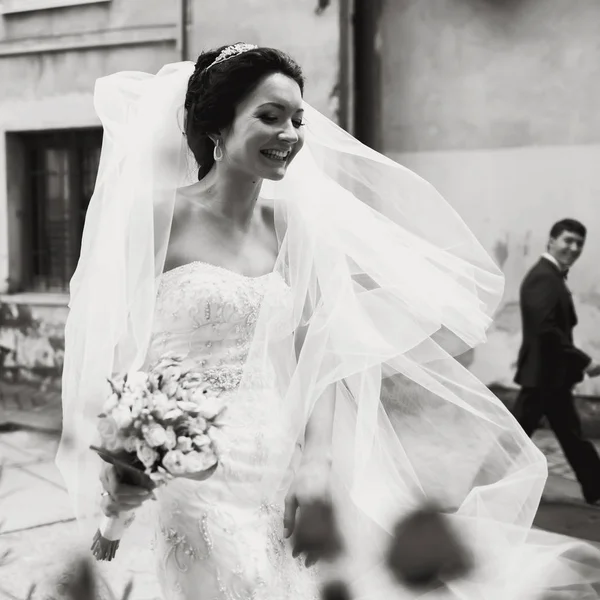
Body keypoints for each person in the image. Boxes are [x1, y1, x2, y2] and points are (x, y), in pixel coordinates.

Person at [56, 44, 600, 599]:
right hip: (191, 466)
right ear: (217, 125)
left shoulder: (290, 226)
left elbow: (317, 349)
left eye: (297, 119)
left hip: (279, 455)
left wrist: (315, 464)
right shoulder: (157, 216)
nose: (289, 134)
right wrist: (123, 448)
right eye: (269, 116)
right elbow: (121, 348)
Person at [514, 218, 600, 505]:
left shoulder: (551, 276)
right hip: (541, 376)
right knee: (516, 439)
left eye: (579, 243)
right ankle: (486, 483)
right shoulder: (544, 277)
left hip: (550, 377)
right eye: (568, 240)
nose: (574, 248)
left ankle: (596, 488)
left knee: (572, 438)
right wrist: (584, 361)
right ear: (551, 241)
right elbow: (545, 330)